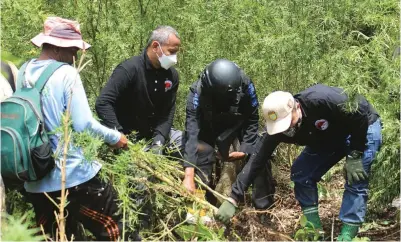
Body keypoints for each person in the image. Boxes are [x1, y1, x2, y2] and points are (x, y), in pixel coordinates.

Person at [22, 16, 139, 241]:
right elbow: (84, 124)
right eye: (73, 49)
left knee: (57, 236)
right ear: (57, 48)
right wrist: (116, 137)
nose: (75, 56)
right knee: (120, 231)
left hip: (36, 181)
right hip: (72, 177)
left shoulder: (24, 72)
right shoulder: (66, 73)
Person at [216, 84, 382, 241]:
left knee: (356, 177)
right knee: (301, 172)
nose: (286, 131)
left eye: (288, 124)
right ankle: (313, 229)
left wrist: (355, 153)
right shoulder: (279, 130)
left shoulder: (322, 100)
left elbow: (359, 113)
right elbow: (256, 160)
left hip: (363, 127)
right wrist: (233, 198)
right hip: (330, 137)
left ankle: (348, 233)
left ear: (295, 107)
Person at [182, 59, 275, 210]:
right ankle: (200, 206)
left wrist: (245, 149)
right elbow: (192, 131)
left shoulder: (244, 84)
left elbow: (252, 118)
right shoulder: (197, 92)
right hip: (208, 127)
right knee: (201, 153)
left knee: (259, 152)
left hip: (237, 125)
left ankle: (263, 207)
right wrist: (189, 174)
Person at [95, 25, 182, 156]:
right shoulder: (129, 69)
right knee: (140, 173)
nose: (175, 58)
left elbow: (168, 112)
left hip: (157, 135)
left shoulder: (172, 75)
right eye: (171, 51)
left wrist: (159, 141)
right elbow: (103, 103)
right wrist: (118, 134)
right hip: (130, 138)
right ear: (155, 46)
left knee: (195, 147)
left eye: (176, 52)